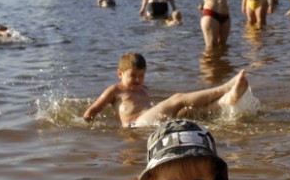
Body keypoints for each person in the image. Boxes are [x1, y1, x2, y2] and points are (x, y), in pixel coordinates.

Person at [82, 52, 249, 128]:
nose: (137, 80)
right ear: (120, 73)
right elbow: (93, 110)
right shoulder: (115, 90)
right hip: (136, 124)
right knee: (177, 99)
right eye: (133, 76)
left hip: (152, 122)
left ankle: (226, 101)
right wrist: (86, 122)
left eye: (141, 75)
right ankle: (225, 88)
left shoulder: (143, 89)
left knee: (187, 112)